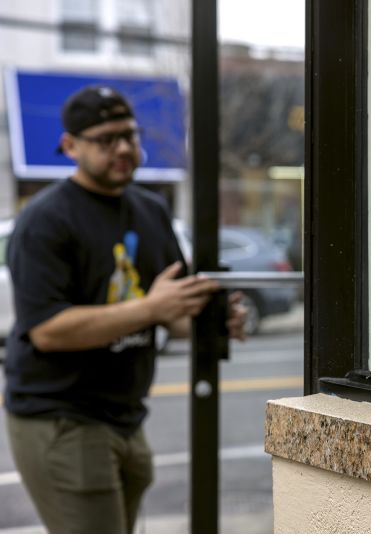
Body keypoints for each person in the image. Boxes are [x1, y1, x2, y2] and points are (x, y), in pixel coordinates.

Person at [2, 85, 246, 534]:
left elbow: (169, 311)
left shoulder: (150, 210)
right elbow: (47, 330)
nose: (123, 148)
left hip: (127, 416)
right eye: (106, 139)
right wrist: (151, 307)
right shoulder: (46, 219)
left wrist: (214, 325)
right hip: (61, 418)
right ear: (70, 146)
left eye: (130, 136)